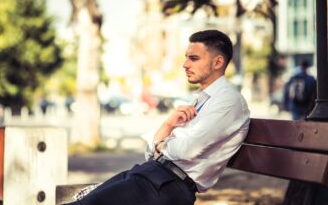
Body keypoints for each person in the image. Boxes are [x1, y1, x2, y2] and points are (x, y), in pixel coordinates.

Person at [64, 30, 250, 205]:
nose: (185, 64)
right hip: (152, 175)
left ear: (217, 63)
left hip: (168, 186)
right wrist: (167, 125)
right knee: (81, 199)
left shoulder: (228, 101)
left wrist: (161, 142)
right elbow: (151, 151)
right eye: (186, 58)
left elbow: (186, 150)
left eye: (193, 58)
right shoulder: (202, 99)